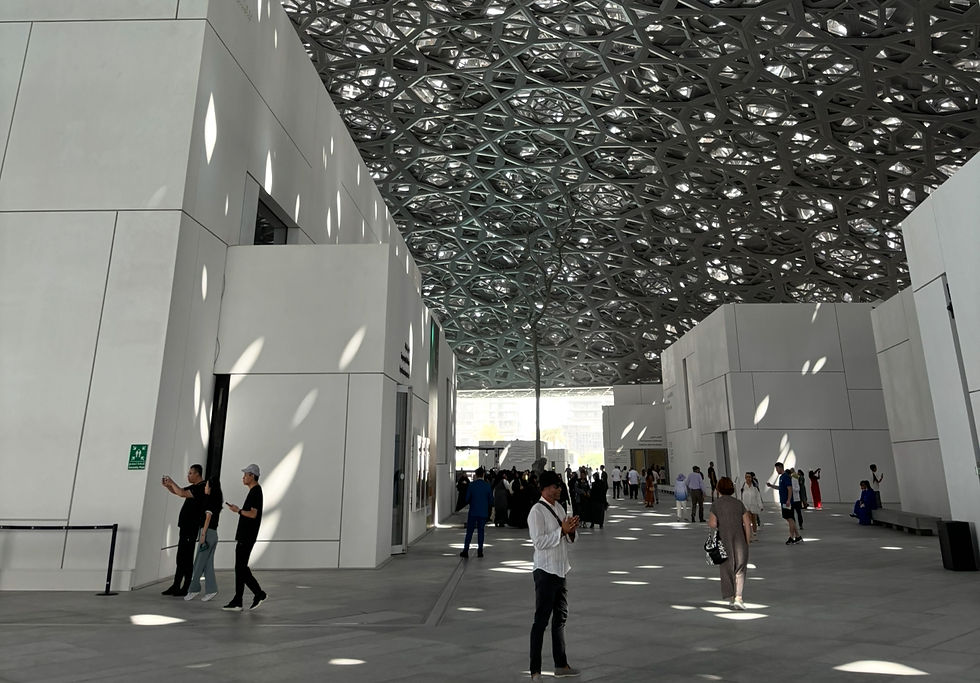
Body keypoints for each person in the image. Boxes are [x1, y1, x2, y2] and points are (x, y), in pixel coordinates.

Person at [527, 471, 580, 681]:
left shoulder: (559, 507)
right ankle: (535, 670)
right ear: (545, 488)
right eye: (555, 486)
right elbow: (538, 542)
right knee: (541, 622)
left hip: (560, 569)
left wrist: (571, 530)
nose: (559, 490)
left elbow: (567, 537)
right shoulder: (536, 512)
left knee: (560, 619)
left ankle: (561, 665)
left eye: (559, 486)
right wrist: (562, 531)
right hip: (545, 571)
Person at [223, 464, 267, 611]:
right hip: (246, 535)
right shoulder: (254, 491)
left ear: (252, 476)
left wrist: (238, 511)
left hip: (247, 536)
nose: (243, 478)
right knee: (240, 568)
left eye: (245, 475)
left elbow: (253, 514)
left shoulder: (255, 492)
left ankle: (256, 594)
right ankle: (239, 599)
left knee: (241, 568)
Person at [160, 465, 205, 596]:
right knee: (181, 557)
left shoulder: (201, 487)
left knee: (187, 558)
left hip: (191, 527)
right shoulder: (194, 487)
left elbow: (181, 493)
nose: (188, 475)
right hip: (185, 527)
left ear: (197, 474)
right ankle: (176, 585)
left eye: (190, 473)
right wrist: (168, 486)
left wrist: (172, 482)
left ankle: (186, 586)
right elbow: (178, 491)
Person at [708, 477, 753, 610]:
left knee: (726, 568)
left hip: (723, 540)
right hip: (740, 539)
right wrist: (747, 541)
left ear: (718, 489)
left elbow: (713, 524)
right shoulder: (739, 503)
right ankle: (739, 597)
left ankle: (732, 597)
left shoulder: (716, 504)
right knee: (740, 568)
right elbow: (747, 523)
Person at [185, 477, 222, 601]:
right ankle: (211, 590)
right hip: (213, 534)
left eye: (206, 485)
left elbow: (208, 517)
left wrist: (203, 534)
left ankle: (193, 589)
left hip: (207, 533)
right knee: (207, 564)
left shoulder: (210, 500)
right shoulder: (216, 500)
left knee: (198, 563)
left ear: (210, 487)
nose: (205, 488)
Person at [461, 467, 493, 558]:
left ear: (476, 475)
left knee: (469, 532)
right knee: (481, 531)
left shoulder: (471, 485)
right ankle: (480, 551)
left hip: (473, 512)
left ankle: (466, 550)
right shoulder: (487, 486)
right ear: (483, 475)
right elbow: (491, 500)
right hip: (483, 512)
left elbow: (467, 499)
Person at [770, 463, 802, 545]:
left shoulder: (786, 477)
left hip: (787, 502)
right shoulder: (781, 477)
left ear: (781, 468)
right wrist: (771, 486)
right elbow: (780, 488)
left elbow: (789, 489)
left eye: (777, 469)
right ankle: (798, 536)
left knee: (790, 519)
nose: (776, 470)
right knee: (789, 519)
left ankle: (791, 537)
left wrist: (788, 500)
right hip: (783, 502)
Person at [739, 472, 763, 540]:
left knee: (754, 520)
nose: (748, 478)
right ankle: (750, 535)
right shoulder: (743, 487)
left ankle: (754, 534)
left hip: (753, 505)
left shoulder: (754, 487)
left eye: (749, 477)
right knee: (748, 521)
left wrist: (760, 505)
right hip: (746, 506)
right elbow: (740, 497)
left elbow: (758, 497)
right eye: (747, 477)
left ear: (751, 478)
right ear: (745, 478)